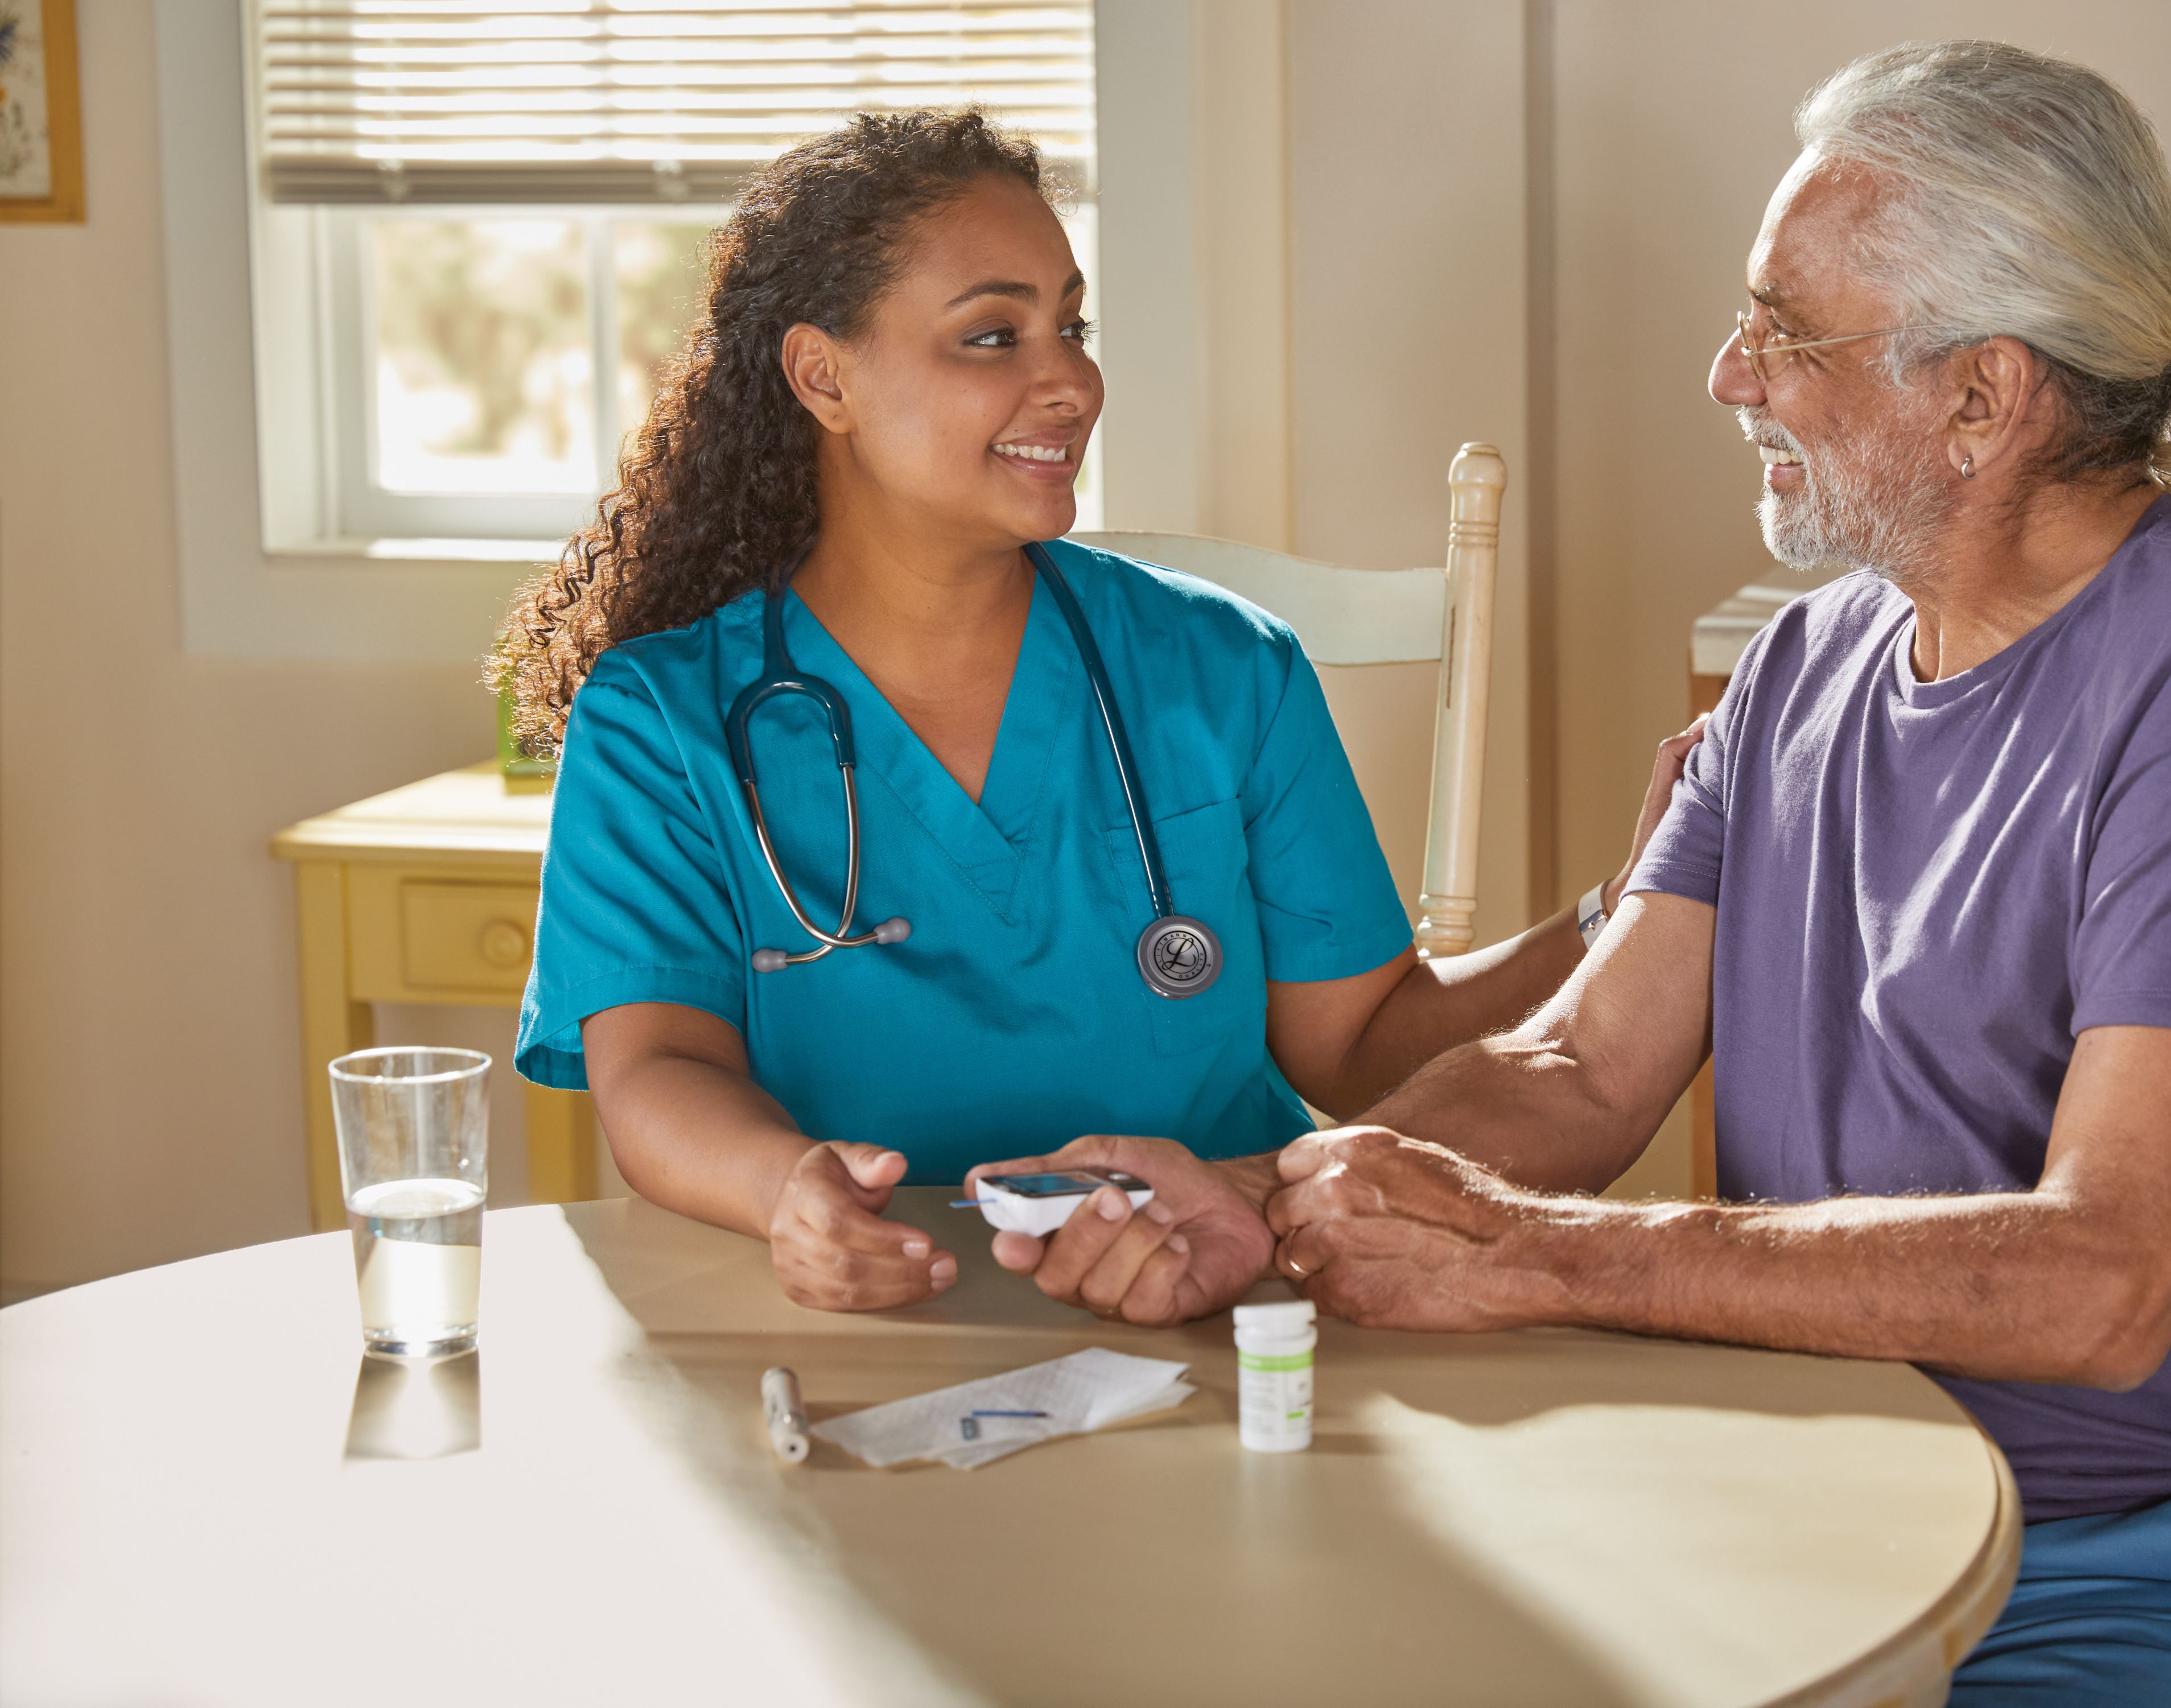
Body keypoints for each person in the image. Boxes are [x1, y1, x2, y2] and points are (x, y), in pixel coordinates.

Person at [983, 45, 2171, 1705]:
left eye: (1784, 328)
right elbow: (1576, 1068)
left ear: (1982, 396)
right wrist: (1256, 1203)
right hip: (1810, 1488)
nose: (1726, 373)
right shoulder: (1802, 663)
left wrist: (1545, 1255)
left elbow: (2103, 1279)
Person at [501, 109, 1684, 1317]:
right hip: (869, 1314)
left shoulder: (1219, 665)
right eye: (991, 335)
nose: (1067, 379)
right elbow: (656, 1067)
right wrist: (786, 1188)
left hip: (1217, 1293)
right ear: (824, 376)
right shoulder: (661, 722)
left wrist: (1619, 905)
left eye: (1070, 325)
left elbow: (1366, 1043)